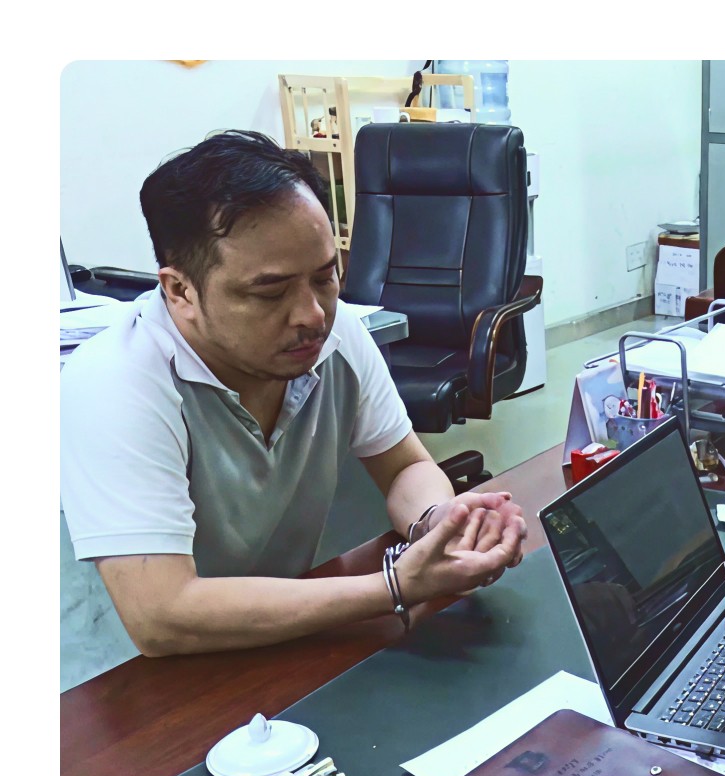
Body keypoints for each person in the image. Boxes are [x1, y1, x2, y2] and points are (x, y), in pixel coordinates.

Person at [60, 130, 527, 658]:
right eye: (270, 292)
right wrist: (395, 586)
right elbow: (162, 617)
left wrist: (440, 527)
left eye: (326, 277)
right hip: (122, 682)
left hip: (279, 633)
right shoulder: (117, 383)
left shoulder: (337, 332)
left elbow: (402, 467)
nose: (312, 315)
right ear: (180, 291)